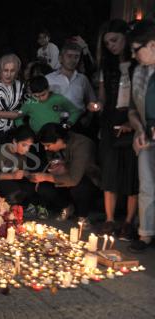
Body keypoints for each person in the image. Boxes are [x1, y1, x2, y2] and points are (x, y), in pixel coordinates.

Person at [88, 19, 139, 239]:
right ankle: (110, 220)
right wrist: (96, 105)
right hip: (110, 120)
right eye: (107, 43)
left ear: (126, 38)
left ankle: (128, 222)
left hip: (133, 119)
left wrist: (133, 122)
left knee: (131, 173)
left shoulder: (139, 65)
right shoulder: (106, 67)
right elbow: (102, 96)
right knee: (110, 170)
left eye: (114, 40)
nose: (111, 46)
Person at [30, 123, 101, 225]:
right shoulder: (53, 149)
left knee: (80, 187)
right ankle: (67, 206)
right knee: (43, 187)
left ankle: (83, 216)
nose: (46, 149)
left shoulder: (81, 145)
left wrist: (46, 176)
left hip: (86, 179)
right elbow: (52, 163)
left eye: (48, 145)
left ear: (59, 140)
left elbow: (74, 178)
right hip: (64, 178)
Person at [126, 20, 155, 252]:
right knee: (146, 185)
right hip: (148, 137)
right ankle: (145, 234)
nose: (134, 55)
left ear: (152, 45)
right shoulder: (138, 72)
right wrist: (138, 129)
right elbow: (132, 109)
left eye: (137, 49)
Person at [15, 76, 81, 133]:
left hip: (57, 135)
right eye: (36, 96)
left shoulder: (58, 99)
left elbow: (75, 111)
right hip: (38, 137)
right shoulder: (29, 103)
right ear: (31, 93)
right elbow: (18, 117)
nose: (40, 98)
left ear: (48, 89)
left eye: (43, 94)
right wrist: (24, 131)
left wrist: (69, 123)